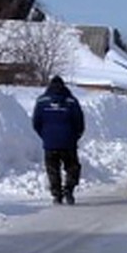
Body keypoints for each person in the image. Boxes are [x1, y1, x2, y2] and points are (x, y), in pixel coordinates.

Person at [32, 75, 85, 204]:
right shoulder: (71, 101)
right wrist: (75, 136)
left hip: (50, 143)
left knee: (52, 170)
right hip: (68, 142)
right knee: (72, 167)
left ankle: (57, 195)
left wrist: (45, 136)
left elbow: (36, 122)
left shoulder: (41, 101)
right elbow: (79, 122)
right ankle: (69, 190)